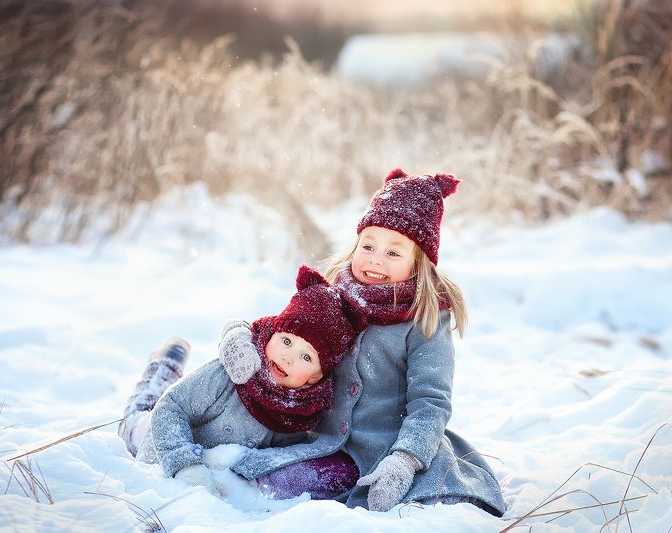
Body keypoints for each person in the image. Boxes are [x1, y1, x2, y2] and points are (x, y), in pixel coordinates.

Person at [218, 169, 507, 515]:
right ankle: (152, 400)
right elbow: (279, 334)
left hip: (383, 453)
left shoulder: (424, 321)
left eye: (393, 253)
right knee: (245, 469)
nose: (375, 259)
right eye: (368, 245)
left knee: (278, 488)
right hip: (320, 441)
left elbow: (431, 402)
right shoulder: (334, 296)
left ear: (420, 264)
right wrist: (237, 333)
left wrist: (404, 459)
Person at [118, 265, 365, 498]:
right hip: (161, 444)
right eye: (287, 341)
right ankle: (163, 366)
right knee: (137, 418)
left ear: (316, 377)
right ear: (272, 333)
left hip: (201, 464)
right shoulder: (234, 372)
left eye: (306, 356)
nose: (287, 358)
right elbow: (170, 408)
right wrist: (184, 465)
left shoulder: (301, 412)